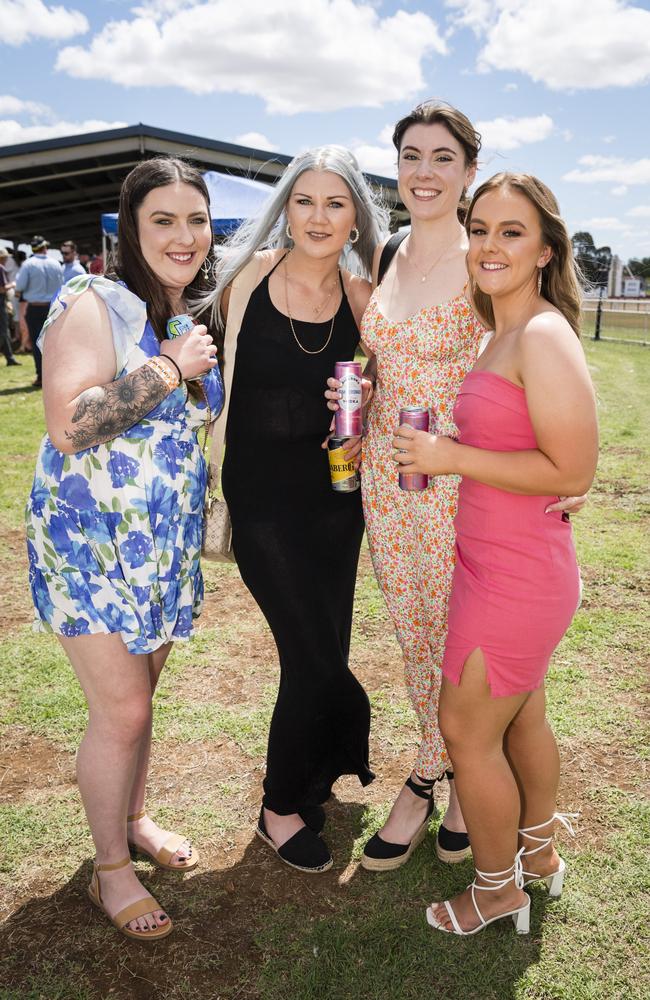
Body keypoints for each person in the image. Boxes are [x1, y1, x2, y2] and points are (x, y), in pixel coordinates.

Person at [326, 100, 585, 872]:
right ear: (396, 169)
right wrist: (361, 398)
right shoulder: (386, 254)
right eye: (411, 156)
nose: (424, 171)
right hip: (384, 471)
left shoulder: (486, 262)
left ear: (469, 171)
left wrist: (569, 475)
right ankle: (451, 771)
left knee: (462, 645)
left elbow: (529, 370)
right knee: (414, 634)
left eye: (443, 158)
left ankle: (431, 777)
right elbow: (387, 357)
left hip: (461, 482)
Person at [391, 172, 598, 935]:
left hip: (517, 576)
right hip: (499, 564)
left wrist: (451, 458)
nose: (488, 245)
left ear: (545, 250)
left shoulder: (540, 333)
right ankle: (538, 856)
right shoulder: (501, 332)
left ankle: (494, 889)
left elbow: (573, 469)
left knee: (466, 732)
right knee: (521, 720)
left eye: (511, 232)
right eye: (480, 229)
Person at [25, 157, 223, 941]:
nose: (184, 236)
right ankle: (110, 870)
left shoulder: (183, 312)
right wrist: (171, 370)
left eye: (196, 220)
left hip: (160, 548)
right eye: (164, 221)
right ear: (131, 228)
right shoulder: (94, 301)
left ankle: (135, 820)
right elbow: (70, 426)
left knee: (139, 706)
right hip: (91, 546)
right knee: (124, 708)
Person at [202, 146, 387, 872]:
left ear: (355, 218)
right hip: (261, 500)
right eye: (304, 201)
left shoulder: (363, 296)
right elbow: (207, 370)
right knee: (310, 653)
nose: (318, 216)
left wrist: (367, 399)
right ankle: (280, 806)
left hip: (337, 500)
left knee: (324, 647)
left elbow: (390, 385)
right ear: (286, 209)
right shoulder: (246, 279)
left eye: (335, 203)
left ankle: (314, 774)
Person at [15, 236, 63, 387]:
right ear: (45, 248)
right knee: (54, 342)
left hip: (35, 307)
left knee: (37, 342)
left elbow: (19, 287)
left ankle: (41, 377)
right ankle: (56, 375)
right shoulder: (56, 263)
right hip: (53, 307)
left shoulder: (28, 265)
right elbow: (61, 284)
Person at [0, 247, 20, 366]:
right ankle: (10, 358)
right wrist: (12, 284)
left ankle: (10, 357)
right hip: (0, 302)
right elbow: (2, 289)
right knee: (4, 330)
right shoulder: (1, 268)